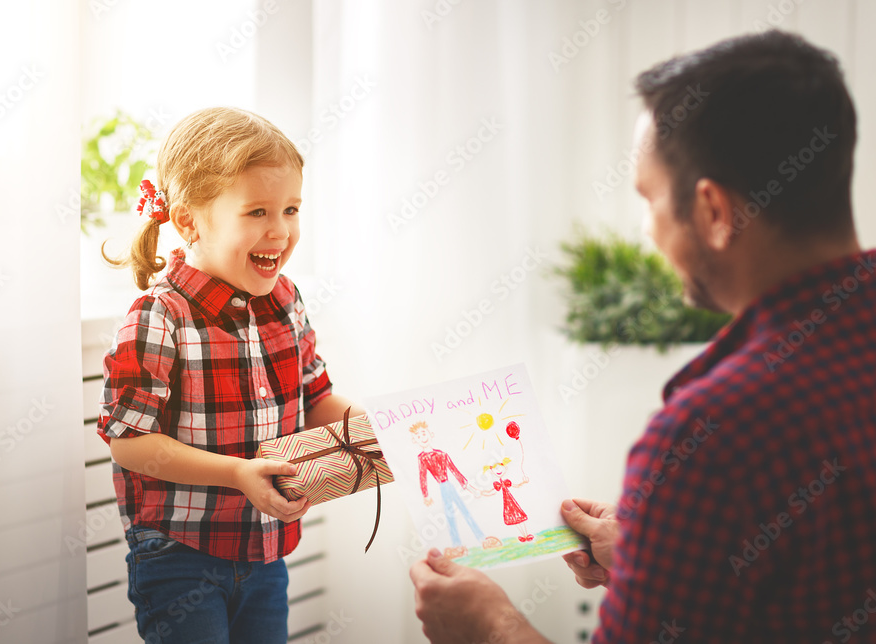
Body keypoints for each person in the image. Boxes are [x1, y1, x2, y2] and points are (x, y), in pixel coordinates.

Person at [410, 30, 876, 643]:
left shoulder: (713, 435)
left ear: (712, 211)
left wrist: (488, 625)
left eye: (650, 200)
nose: (648, 232)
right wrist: (658, 553)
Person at [97, 107, 354, 644]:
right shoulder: (158, 316)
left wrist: (384, 429)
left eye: (290, 209)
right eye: (257, 211)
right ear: (189, 220)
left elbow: (317, 398)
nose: (280, 231)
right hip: (178, 557)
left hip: (265, 554)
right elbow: (129, 444)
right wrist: (237, 474)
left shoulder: (286, 301)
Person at [413, 420, 502, 558]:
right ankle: (459, 545)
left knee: (462, 511)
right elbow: (422, 476)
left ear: (431, 434)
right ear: (415, 440)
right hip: (443, 488)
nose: (422, 437)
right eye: (418, 436)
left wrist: (471, 489)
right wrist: (425, 495)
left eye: (423, 433)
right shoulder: (422, 458)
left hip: (448, 486)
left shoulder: (442, 454)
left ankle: (479, 540)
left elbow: (455, 472)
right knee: (450, 516)